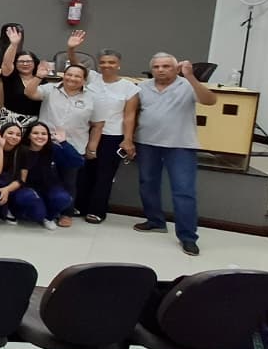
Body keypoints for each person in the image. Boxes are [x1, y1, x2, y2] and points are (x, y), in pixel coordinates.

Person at [122, 54, 217, 256]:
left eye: (166, 66)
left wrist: (191, 77)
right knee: (148, 183)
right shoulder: (142, 87)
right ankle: (155, 221)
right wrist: (128, 139)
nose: (161, 70)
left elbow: (210, 100)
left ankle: (188, 237)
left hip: (180, 145)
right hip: (147, 142)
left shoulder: (187, 85)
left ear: (176, 68)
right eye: (156, 66)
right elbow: (132, 114)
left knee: (184, 191)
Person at [65, 31, 140, 224]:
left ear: (118, 64)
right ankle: (80, 205)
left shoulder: (129, 88)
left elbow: (129, 116)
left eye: (111, 62)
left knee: (104, 175)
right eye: (103, 62)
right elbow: (75, 65)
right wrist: (72, 48)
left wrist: (128, 139)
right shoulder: (92, 78)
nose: (107, 65)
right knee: (84, 172)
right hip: (87, 132)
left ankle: (97, 210)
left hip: (112, 135)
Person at [25, 63, 103, 227]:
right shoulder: (50, 89)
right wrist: (38, 77)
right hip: (45, 145)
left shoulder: (93, 98)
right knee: (41, 178)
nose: (72, 78)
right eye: (69, 74)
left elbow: (97, 125)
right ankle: (43, 208)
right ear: (63, 75)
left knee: (69, 181)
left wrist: (92, 147)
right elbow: (29, 93)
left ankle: (67, 213)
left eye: (77, 76)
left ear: (84, 80)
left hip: (73, 147)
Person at [6, 123, 81, 230]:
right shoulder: (21, 150)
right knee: (35, 211)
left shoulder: (53, 149)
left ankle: (49, 217)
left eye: (43, 134)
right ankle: (16, 211)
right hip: (25, 190)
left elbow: (78, 162)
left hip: (49, 188)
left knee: (64, 198)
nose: (40, 136)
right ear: (29, 135)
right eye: (35, 133)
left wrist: (64, 143)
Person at [0, 25, 42, 125]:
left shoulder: (41, 79)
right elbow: (6, 64)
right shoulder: (11, 76)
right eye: (21, 61)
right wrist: (14, 44)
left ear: (35, 63)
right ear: (15, 63)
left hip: (35, 122)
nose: (25, 64)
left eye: (29, 61)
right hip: (11, 120)